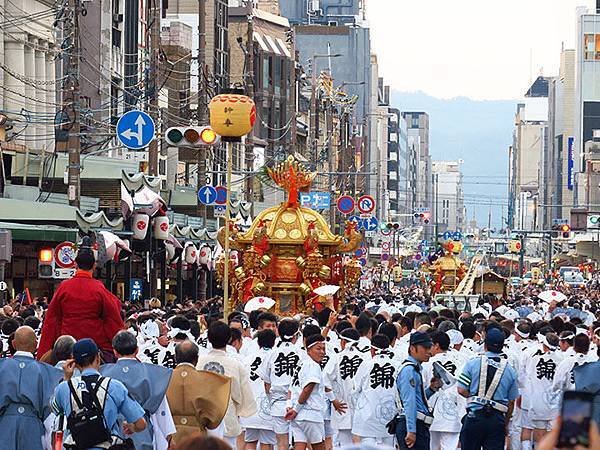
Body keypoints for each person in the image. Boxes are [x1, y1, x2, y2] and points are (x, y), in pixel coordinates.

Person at [38, 238, 125, 362]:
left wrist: (44, 351)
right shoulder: (99, 288)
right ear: (94, 266)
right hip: (94, 344)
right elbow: (112, 318)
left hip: (67, 345)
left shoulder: (64, 287)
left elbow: (51, 319)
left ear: (75, 264)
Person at [51, 338, 148, 448]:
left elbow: (55, 409)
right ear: (98, 357)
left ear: (75, 362)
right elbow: (141, 424)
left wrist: (66, 377)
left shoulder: (64, 388)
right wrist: (132, 427)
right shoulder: (115, 386)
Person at [100, 330, 176, 450]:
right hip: (142, 430)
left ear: (114, 351)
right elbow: (162, 410)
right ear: (137, 350)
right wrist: (168, 436)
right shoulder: (152, 373)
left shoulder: (102, 373)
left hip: (111, 431)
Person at [0, 326, 63, 450]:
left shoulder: (2, 366)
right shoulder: (50, 372)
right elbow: (51, 414)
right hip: (33, 427)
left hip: (4, 425)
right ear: (36, 344)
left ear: (13, 343)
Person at [196, 321, 257, 449]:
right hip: (226, 413)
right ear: (229, 338)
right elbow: (240, 394)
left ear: (209, 338)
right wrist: (241, 410)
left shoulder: (199, 362)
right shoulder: (235, 364)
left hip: (203, 415)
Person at [457, 328, 519, 450]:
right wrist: (505, 423)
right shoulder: (510, 370)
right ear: (502, 346)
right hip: (496, 419)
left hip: (474, 416)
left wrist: (474, 397)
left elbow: (461, 390)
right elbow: (511, 402)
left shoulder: (472, 363)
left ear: (485, 345)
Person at [166, 340, 232, 446]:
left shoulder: (163, 379)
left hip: (169, 438)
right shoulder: (209, 381)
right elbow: (214, 420)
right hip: (198, 439)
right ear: (196, 359)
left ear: (175, 357)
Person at [258, 319, 302, 450]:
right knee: (301, 441)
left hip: (277, 403)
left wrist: (272, 399)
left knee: (281, 443)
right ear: (295, 335)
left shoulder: (271, 354)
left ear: (279, 332)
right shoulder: (301, 353)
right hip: (298, 403)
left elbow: (266, 383)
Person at [351, 334, 399, 447]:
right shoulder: (397, 366)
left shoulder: (366, 365)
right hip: (389, 418)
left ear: (372, 349)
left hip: (367, 419)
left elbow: (354, 391)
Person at [422, 330, 466, 450]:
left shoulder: (427, 363)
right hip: (454, 412)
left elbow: (423, 387)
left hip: (431, 412)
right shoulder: (461, 359)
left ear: (436, 345)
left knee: (430, 447)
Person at [284, 334, 327, 450]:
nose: (322, 352)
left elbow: (291, 388)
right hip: (310, 414)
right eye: (318, 348)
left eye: (324, 349)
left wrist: (289, 406)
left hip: (297, 415)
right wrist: (296, 409)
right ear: (308, 349)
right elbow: (308, 388)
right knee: (320, 447)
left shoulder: (301, 364)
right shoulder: (313, 365)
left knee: (299, 445)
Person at [396, 331, 438, 450]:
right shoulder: (409, 370)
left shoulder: (414, 369)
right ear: (413, 349)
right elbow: (409, 402)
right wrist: (412, 431)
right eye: (425, 348)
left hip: (417, 424)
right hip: (413, 424)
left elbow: (417, 399)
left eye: (429, 347)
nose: (429, 351)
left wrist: (431, 389)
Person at [241, 329, 277, 450]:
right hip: (268, 407)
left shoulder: (247, 359)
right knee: (266, 443)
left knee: (250, 441)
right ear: (273, 342)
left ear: (258, 342)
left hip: (250, 407)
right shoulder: (275, 357)